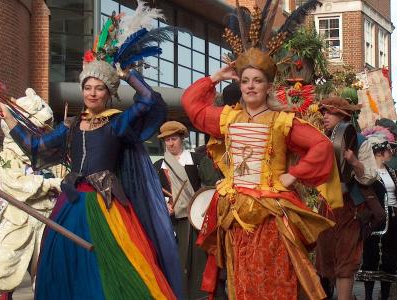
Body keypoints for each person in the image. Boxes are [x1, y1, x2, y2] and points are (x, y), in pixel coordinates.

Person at [0, 7, 183, 300]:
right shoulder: (70, 126)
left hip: (108, 207)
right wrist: (7, 117)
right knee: (65, 268)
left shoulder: (117, 123)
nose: (92, 93)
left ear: (109, 93)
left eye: (99, 88)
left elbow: (151, 102)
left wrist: (128, 75)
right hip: (71, 206)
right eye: (87, 87)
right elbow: (36, 148)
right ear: (82, 90)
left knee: (113, 271)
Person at [181, 3, 341, 299]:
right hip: (235, 213)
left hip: (272, 215)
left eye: (257, 81)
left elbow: (321, 146)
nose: (250, 86)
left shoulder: (282, 122)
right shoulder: (228, 117)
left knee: (275, 279)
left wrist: (291, 177)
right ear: (239, 85)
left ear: (269, 86)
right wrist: (215, 78)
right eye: (245, 81)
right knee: (241, 282)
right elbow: (192, 106)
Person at [0, 89, 63, 300]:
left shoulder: (53, 153)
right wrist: (50, 183)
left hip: (49, 221)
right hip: (19, 221)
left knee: (49, 278)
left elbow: (65, 178)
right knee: (2, 273)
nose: (44, 131)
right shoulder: (8, 154)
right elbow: (15, 184)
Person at [316, 97, 378, 300]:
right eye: (323, 112)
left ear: (343, 116)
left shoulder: (360, 141)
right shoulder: (319, 138)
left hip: (350, 206)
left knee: (346, 260)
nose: (324, 115)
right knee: (325, 258)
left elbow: (369, 176)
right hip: (326, 205)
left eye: (329, 112)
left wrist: (354, 161)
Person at [153, 121, 209, 299]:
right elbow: (153, 194)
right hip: (172, 222)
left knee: (200, 261)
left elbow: (211, 186)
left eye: (174, 139)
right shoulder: (158, 166)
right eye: (167, 140)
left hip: (197, 220)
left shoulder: (198, 160)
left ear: (182, 139)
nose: (171, 143)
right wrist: (163, 204)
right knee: (176, 262)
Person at [358, 127, 397, 300]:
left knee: (389, 259)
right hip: (375, 219)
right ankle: (368, 296)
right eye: (388, 149)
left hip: (393, 218)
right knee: (371, 256)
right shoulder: (368, 174)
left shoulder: (392, 172)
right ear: (380, 151)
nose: (391, 152)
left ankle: (385, 296)